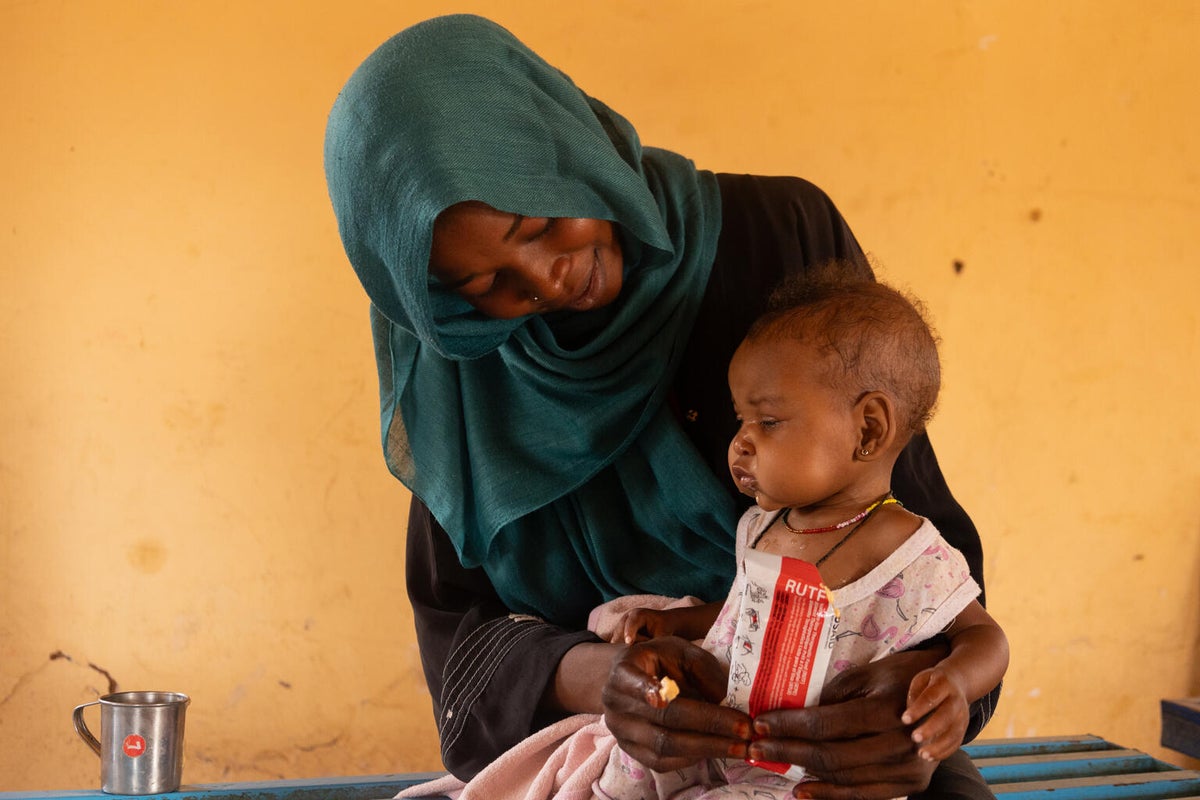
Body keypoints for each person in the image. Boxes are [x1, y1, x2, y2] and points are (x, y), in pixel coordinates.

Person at [323, 13, 1001, 799]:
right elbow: (460, 645)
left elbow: (919, 546)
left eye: (542, 224)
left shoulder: (775, 236)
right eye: (482, 286)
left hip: (828, 742)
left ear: (565, 143)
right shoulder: (456, 368)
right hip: (611, 757)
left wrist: (909, 705)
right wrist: (611, 682)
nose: (544, 283)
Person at [588, 269, 1010, 799]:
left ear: (868, 429)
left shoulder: (913, 552)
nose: (740, 443)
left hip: (810, 768)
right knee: (625, 769)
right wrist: (674, 622)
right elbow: (743, 607)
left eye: (767, 422)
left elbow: (985, 637)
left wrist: (954, 684)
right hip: (721, 734)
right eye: (740, 420)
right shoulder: (764, 525)